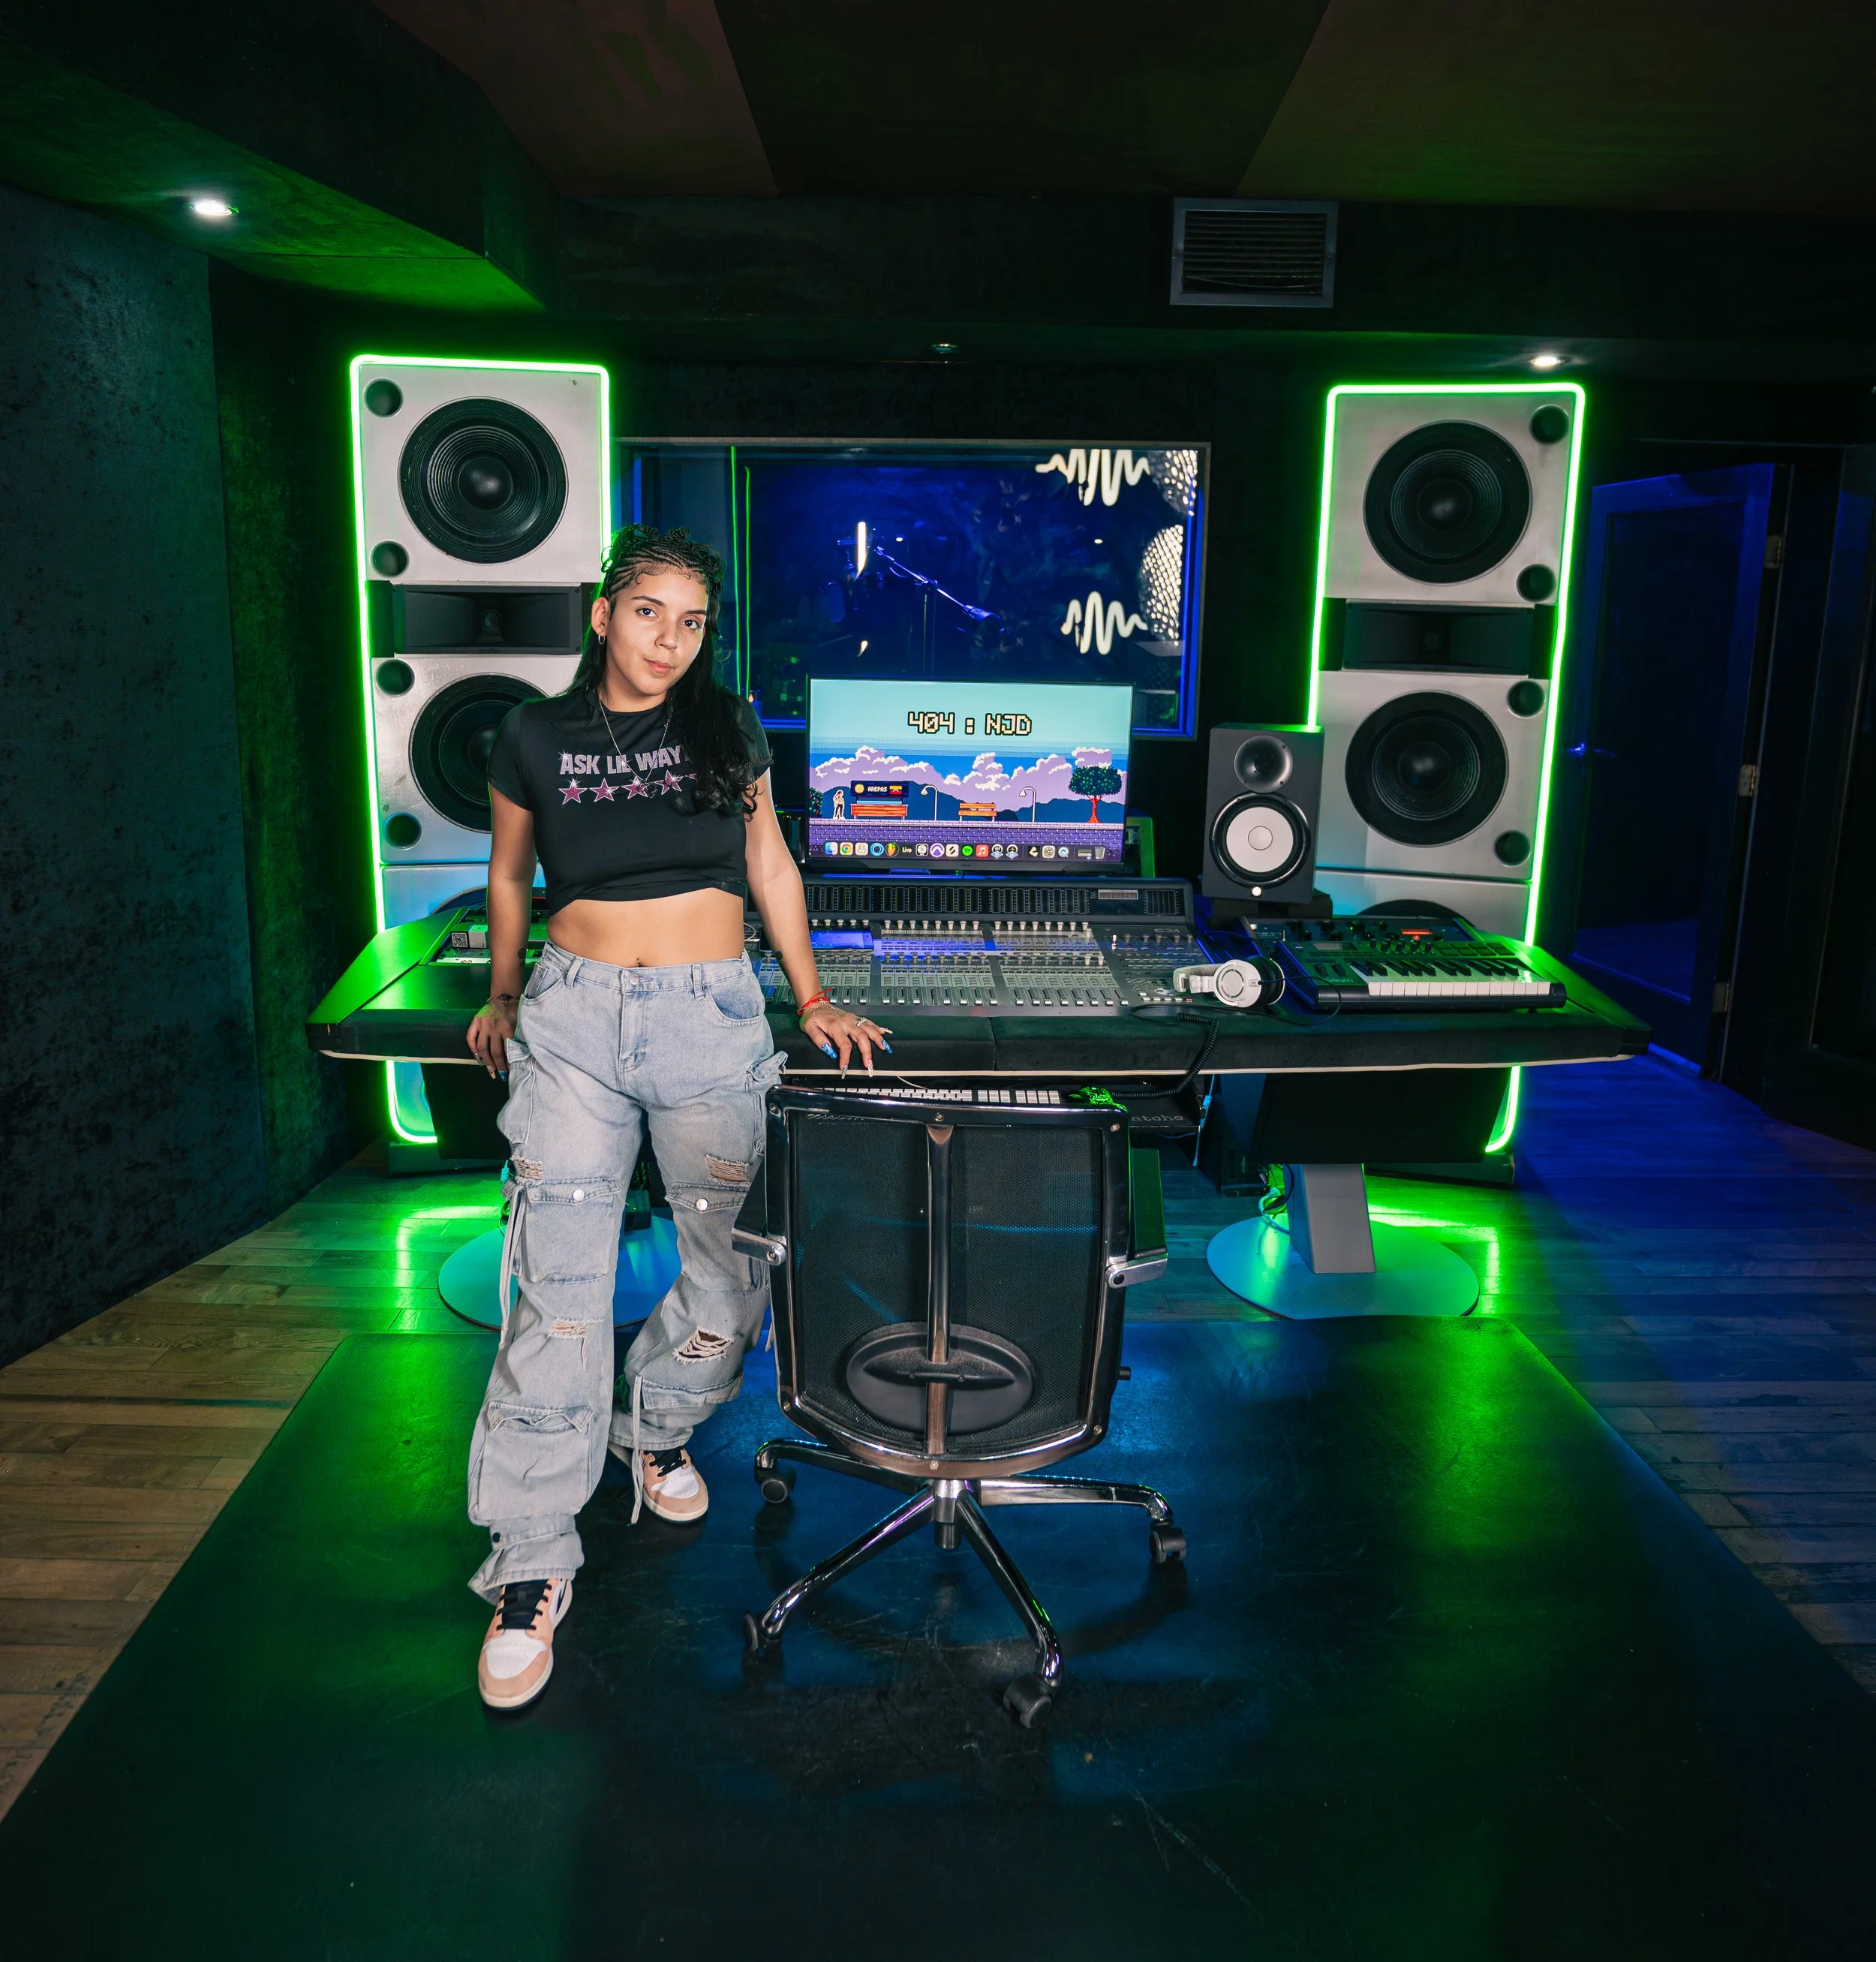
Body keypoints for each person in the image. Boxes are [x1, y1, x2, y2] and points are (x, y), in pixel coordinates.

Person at [462, 524, 889, 1711]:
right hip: (574, 1022)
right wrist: (503, 992)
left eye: (691, 621)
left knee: (735, 1272)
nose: (669, 640)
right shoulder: (532, 734)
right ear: (603, 614)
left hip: (711, 1016)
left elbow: (773, 866)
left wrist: (810, 995)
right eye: (648, 612)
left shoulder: (728, 724)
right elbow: (509, 873)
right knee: (558, 1292)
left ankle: (651, 1424)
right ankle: (531, 1558)